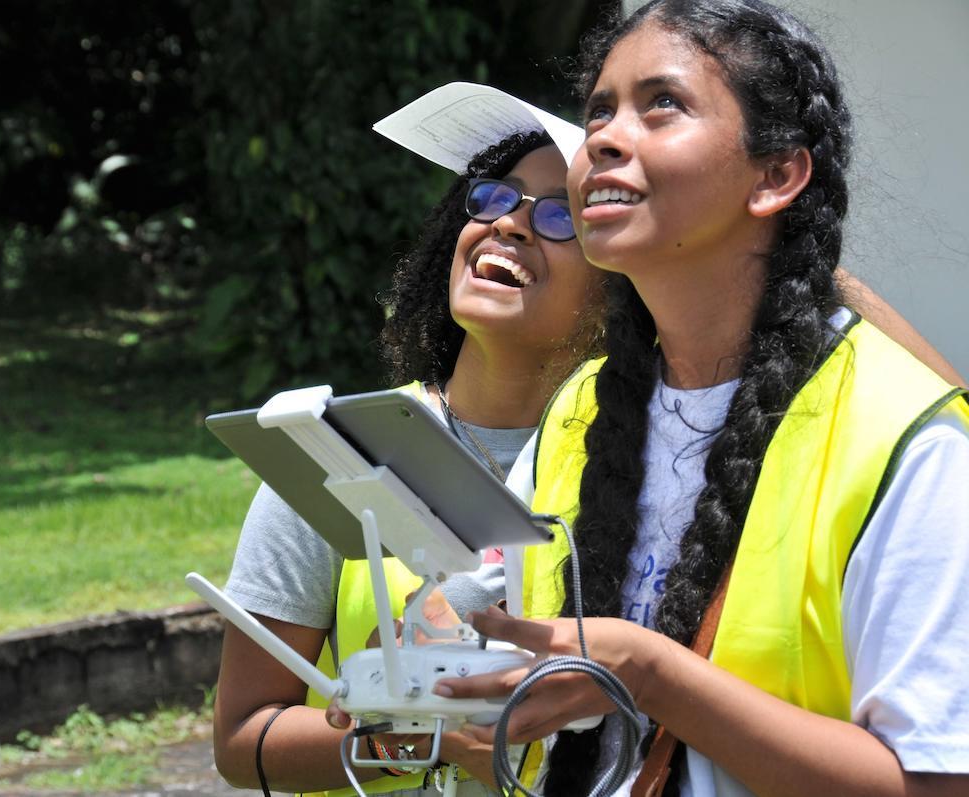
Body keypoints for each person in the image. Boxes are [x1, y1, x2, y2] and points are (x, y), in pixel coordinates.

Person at [431, 2, 969, 796]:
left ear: (777, 175)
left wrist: (650, 673)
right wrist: (448, 629)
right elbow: (476, 599)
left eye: (662, 105)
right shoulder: (580, 405)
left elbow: (933, 784)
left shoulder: (907, 441)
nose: (604, 138)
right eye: (599, 110)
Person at [213, 120, 603, 796]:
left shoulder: (641, 464)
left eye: (558, 215)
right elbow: (244, 736)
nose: (509, 223)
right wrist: (422, 738)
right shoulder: (341, 448)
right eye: (493, 197)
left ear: (622, 286)